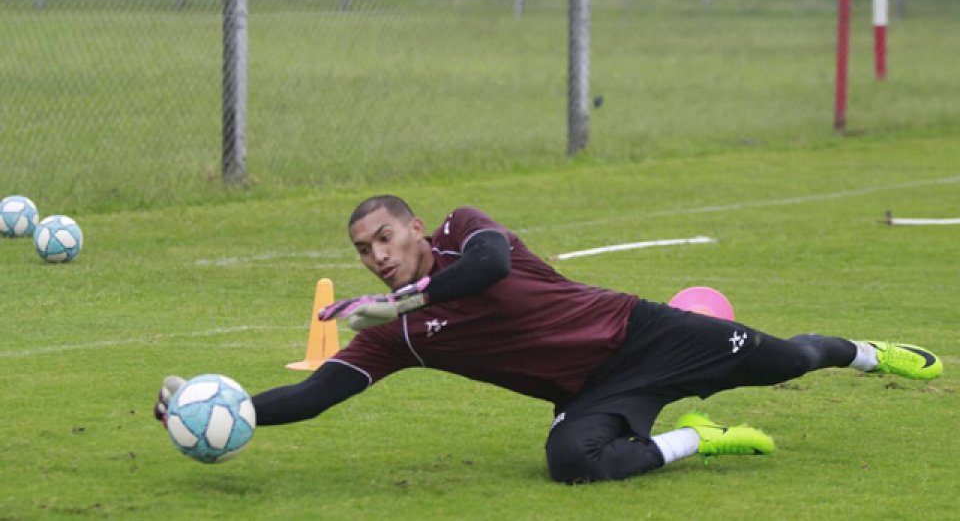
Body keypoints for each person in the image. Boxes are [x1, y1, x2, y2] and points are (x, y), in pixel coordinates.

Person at [155, 195, 943, 483]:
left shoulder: (466, 235)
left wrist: (403, 300)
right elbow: (316, 393)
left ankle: (874, 352)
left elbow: (488, 267)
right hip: (596, 392)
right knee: (569, 465)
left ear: (416, 228)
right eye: (364, 250)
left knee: (793, 360)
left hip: (649, 332)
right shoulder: (401, 335)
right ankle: (699, 439)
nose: (377, 256)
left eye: (386, 237)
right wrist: (210, 410)